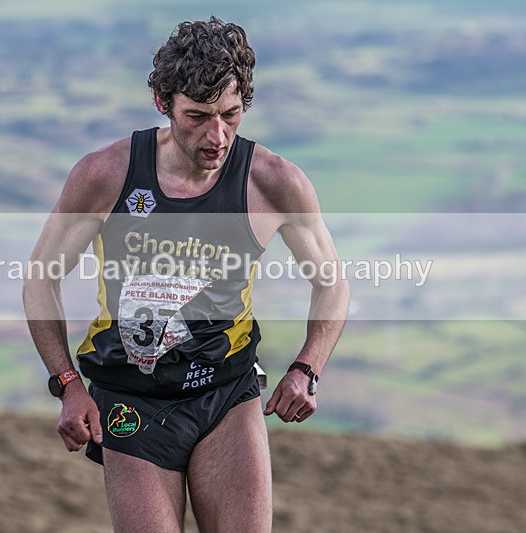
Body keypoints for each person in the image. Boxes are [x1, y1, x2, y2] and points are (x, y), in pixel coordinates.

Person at [23, 16, 349, 532]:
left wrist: (308, 367)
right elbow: (41, 278)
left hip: (227, 392)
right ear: (163, 103)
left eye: (230, 115)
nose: (217, 136)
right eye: (197, 116)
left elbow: (331, 281)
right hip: (130, 398)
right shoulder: (106, 175)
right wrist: (67, 384)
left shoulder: (274, 182)